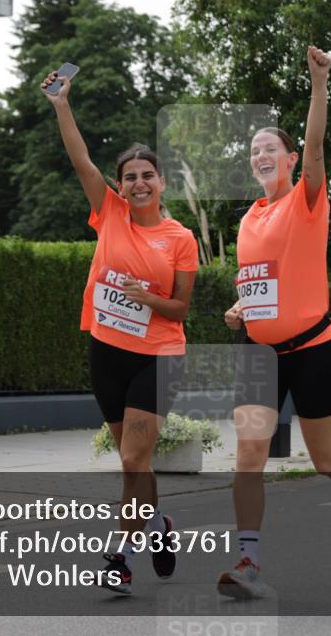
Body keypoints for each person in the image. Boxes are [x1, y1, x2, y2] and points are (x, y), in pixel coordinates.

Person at [217, 46, 331, 600]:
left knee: (324, 458)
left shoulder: (307, 201)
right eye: (254, 151)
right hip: (260, 353)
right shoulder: (248, 218)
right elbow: (261, 282)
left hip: (315, 347)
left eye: (270, 148)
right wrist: (241, 307)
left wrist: (319, 84)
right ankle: (248, 562)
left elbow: (316, 145)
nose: (261, 155)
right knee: (248, 454)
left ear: (291, 159)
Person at [41, 69, 199, 595]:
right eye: (129, 177)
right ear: (121, 185)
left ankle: (121, 557)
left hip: (159, 357)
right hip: (107, 353)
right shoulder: (108, 213)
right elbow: (80, 160)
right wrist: (62, 105)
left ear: (161, 183)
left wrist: (145, 298)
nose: (138, 183)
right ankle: (159, 525)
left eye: (147, 175)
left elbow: (180, 309)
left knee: (133, 459)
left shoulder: (180, 238)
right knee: (135, 465)